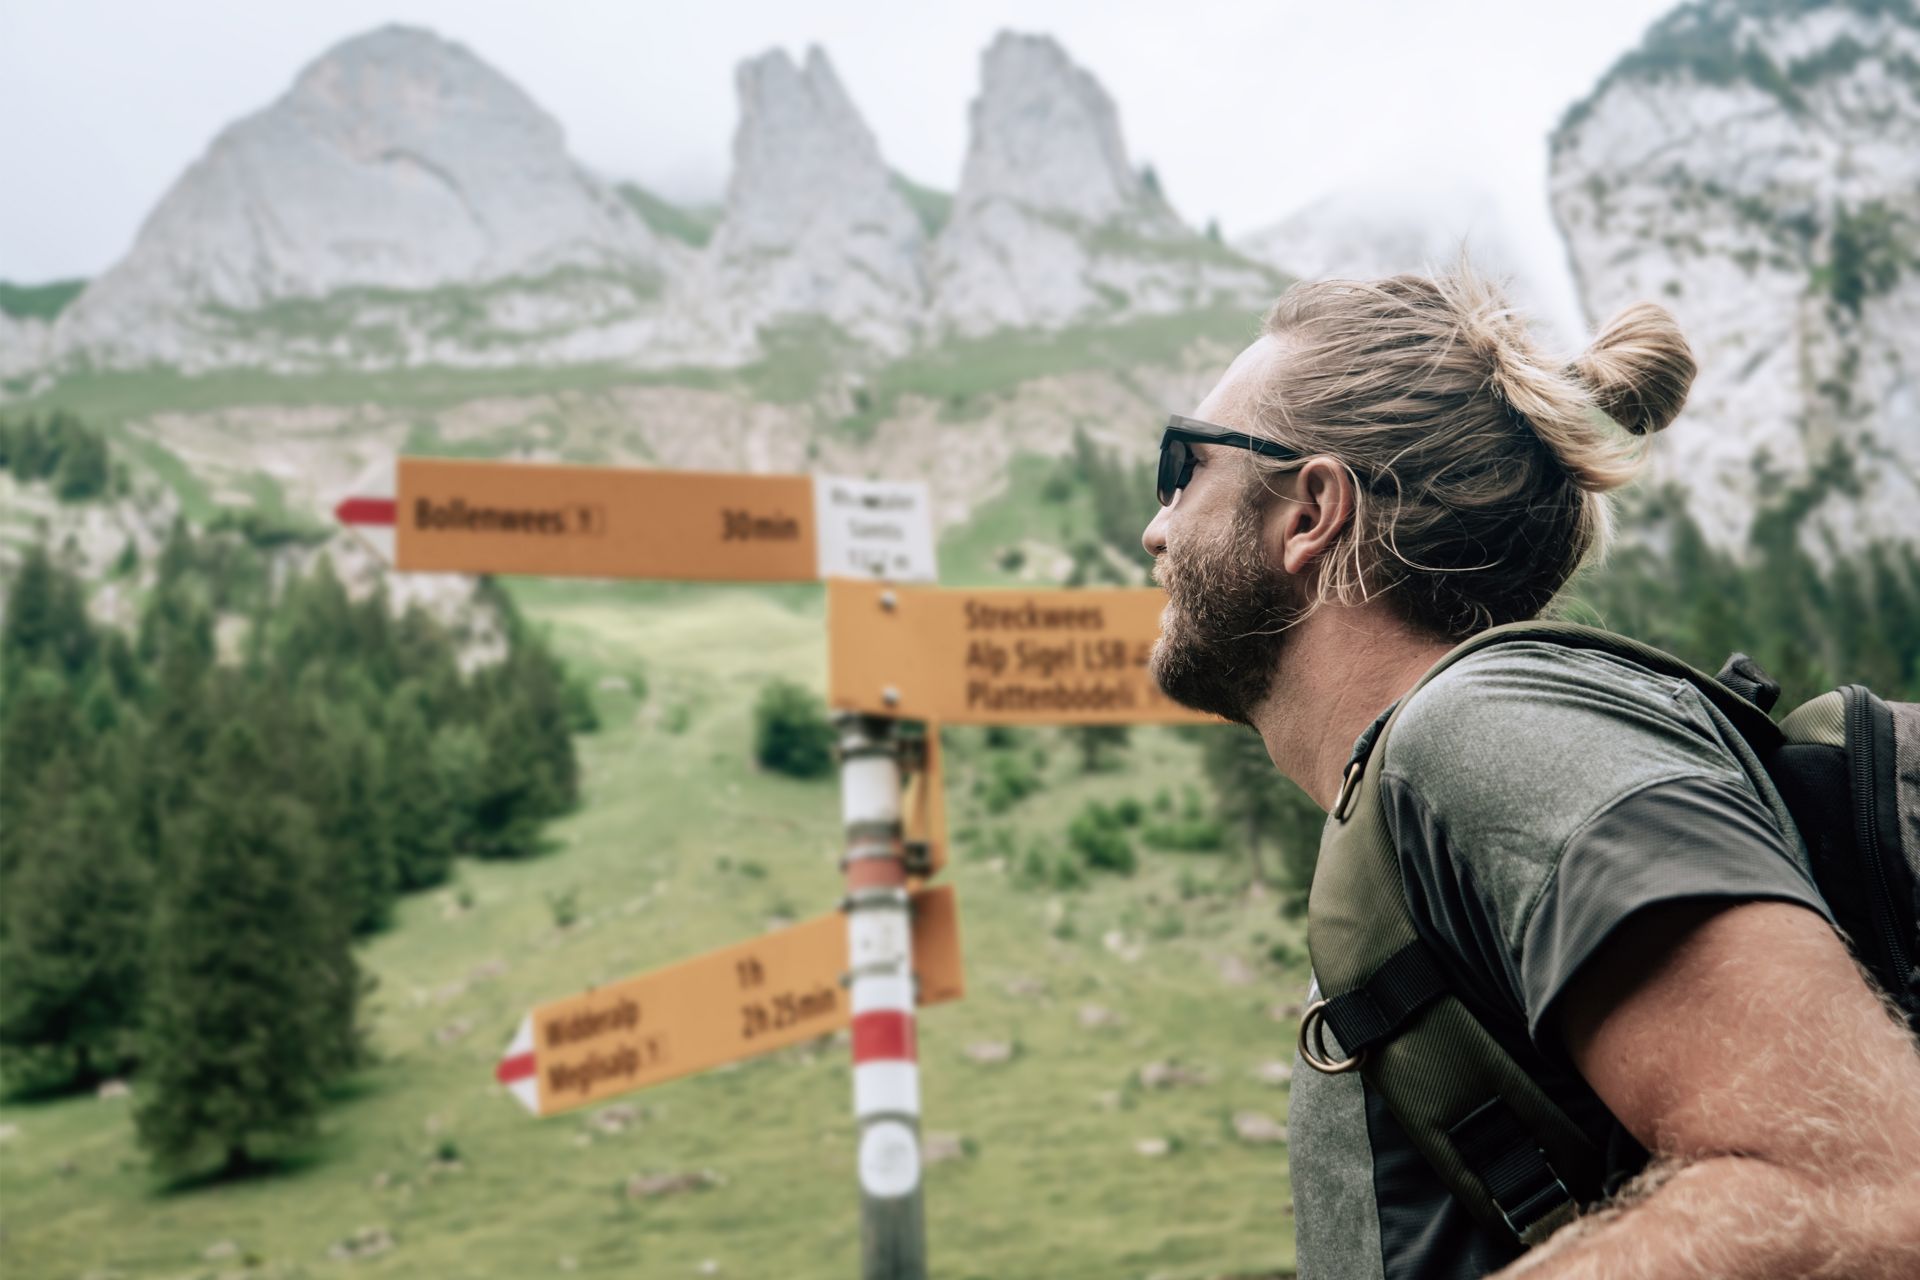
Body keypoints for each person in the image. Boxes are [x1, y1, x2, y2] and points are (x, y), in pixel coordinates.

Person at [1139, 266, 1920, 1279]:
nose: (1156, 524)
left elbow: (1854, 1185)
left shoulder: (1484, 731)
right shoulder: (1428, 794)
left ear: (1311, 509)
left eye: (1185, 465)